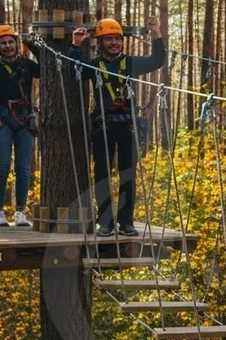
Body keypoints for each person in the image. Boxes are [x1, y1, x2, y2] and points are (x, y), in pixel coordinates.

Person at [70, 16, 165, 237]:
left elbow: (157, 60)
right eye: (109, 39)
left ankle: (126, 222)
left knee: (127, 174)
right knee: (102, 174)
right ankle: (105, 223)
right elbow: (74, 72)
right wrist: (76, 45)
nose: (114, 43)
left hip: (127, 126)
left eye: (117, 39)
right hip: (102, 126)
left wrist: (157, 34)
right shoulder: (94, 65)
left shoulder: (131, 63)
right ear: (100, 43)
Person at [0, 25, 40, 226]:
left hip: (25, 118)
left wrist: (32, 46)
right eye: (3, 43)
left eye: (11, 42)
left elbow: (44, 69)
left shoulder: (26, 64)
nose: (8, 46)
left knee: (22, 167)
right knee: (2, 166)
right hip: (2, 119)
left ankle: (20, 212)